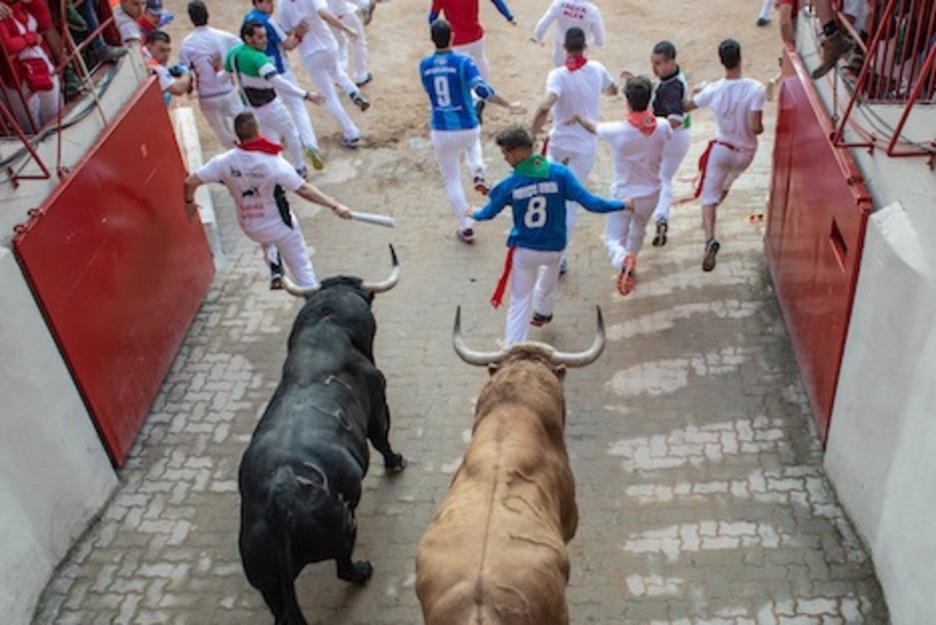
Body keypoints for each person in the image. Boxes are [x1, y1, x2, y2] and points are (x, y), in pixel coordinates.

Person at [471, 126, 630, 345]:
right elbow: (592, 203)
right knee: (549, 278)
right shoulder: (560, 174)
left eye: (506, 153)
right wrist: (623, 204)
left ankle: (512, 349)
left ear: (518, 152)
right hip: (555, 249)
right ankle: (544, 311)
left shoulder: (509, 183)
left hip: (526, 252)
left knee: (519, 302)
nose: (506, 159)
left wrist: (474, 213)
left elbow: (488, 213)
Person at [184, 111, 353, 289]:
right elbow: (303, 189)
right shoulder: (273, 163)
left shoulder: (223, 161)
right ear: (258, 131)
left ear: (237, 134)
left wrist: (189, 203)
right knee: (302, 268)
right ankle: (312, 301)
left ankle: (274, 262)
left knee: (267, 237)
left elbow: (190, 181)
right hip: (279, 226)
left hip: (249, 226)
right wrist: (334, 204)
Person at [420, 18, 524, 243]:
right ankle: (477, 169)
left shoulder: (424, 66)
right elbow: (483, 90)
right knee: (472, 142)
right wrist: (508, 105)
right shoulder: (464, 63)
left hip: (441, 129)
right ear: (452, 37)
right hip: (467, 125)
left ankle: (466, 225)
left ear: (432, 40)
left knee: (452, 180)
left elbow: (430, 92)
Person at [571, 76, 672, 296]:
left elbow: (592, 126)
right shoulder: (662, 126)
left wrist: (578, 115)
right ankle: (630, 263)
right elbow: (668, 133)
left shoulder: (617, 131)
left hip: (624, 195)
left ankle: (622, 259)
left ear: (627, 101)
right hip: (652, 194)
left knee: (612, 239)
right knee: (638, 231)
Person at [530, 26, 616, 273]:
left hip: (558, 145)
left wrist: (532, 134)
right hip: (585, 147)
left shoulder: (558, 75)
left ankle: (545, 246)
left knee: (549, 195)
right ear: (585, 46)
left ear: (564, 47)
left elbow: (545, 106)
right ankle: (558, 256)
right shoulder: (597, 70)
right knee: (570, 203)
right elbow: (612, 91)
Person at [683, 38, 765, 272]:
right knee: (726, 184)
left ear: (721, 61)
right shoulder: (755, 88)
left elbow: (686, 106)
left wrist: (696, 91)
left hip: (722, 148)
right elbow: (756, 128)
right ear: (740, 58)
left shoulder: (714, 90)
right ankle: (711, 214)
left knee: (708, 197)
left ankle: (709, 236)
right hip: (746, 153)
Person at [225, 20, 324, 177]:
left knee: (271, 140)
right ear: (248, 38)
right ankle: (299, 168)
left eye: (264, 36)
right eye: (260, 37)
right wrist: (306, 95)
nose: (265, 40)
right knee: (291, 133)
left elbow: (225, 74)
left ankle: (279, 171)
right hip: (271, 106)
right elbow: (278, 82)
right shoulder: (259, 59)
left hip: (250, 109)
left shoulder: (234, 54)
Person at [277, 0, 369, 148]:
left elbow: (287, 34)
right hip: (328, 44)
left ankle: (351, 132)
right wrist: (347, 29)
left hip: (309, 55)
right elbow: (325, 14)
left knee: (329, 96)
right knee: (337, 71)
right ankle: (353, 92)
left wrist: (298, 33)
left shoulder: (282, 5)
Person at [428, 0, 516, 122]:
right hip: (475, 35)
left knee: (461, 73)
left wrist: (436, 35)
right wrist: (509, 16)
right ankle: (483, 95)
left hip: (457, 40)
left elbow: (433, 16)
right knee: (481, 59)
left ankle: (472, 101)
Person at [179, 1, 243, 148]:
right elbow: (242, 50)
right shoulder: (224, 37)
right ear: (207, 15)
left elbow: (185, 70)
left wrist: (190, 91)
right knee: (243, 125)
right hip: (228, 91)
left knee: (223, 134)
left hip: (207, 97)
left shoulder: (187, 43)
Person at [647, 40, 692, 247]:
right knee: (662, 177)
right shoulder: (673, 77)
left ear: (670, 62)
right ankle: (661, 217)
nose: (654, 68)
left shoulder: (673, 86)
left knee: (662, 178)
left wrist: (653, 129)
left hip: (673, 137)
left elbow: (674, 119)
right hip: (678, 137)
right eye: (653, 63)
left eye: (658, 63)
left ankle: (661, 216)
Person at [0, 0, 62, 132]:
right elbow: (7, 46)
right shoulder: (3, 12)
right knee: (30, 123)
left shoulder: (27, 6)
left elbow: (45, 20)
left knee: (54, 109)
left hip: (40, 65)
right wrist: (30, 38)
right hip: (15, 75)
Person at [531, 0, 604, 67]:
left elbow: (541, 28)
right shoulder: (593, 11)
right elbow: (599, 41)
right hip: (580, 53)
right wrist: (589, 42)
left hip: (560, 52)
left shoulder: (559, 4)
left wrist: (539, 39)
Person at [326, 0, 371, 87]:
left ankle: (341, 76)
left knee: (339, 44)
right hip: (343, 13)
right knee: (358, 42)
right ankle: (361, 75)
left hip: (328, 18)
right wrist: (365, 4)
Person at [145, 30, 192, 105]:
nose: (166, 55)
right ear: (149, 47)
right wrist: (186, 74)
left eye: (168, 50)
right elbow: (178, 89)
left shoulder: (139, 54)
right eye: (162, 50)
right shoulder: (157, 68)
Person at [811, 0, 855, 79]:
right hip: (843, 37)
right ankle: (833, 40)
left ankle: (834, 41)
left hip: (852, 41)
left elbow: (850, 21)